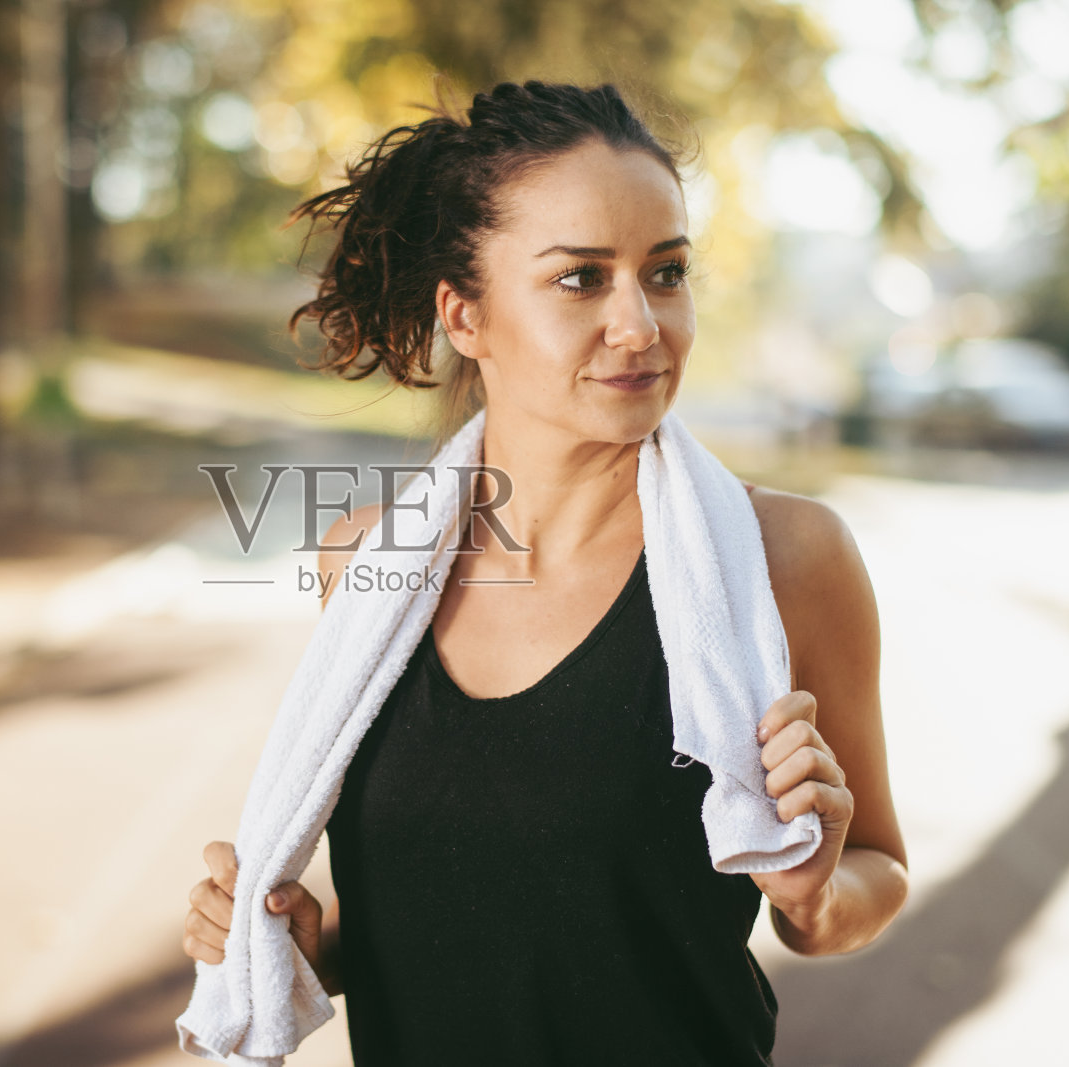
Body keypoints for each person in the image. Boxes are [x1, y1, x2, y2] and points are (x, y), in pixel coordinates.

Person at [181, 79, 908, 1065]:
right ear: (465, 315)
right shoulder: (364, 564)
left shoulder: (787, 557)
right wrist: (313, 945)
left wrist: (815, 893)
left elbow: (876, 868)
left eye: (665, 272)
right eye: (579, 278)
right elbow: (450, 903)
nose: (640, 324)